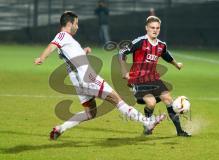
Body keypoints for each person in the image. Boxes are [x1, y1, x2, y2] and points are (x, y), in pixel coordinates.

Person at [34, 11, 166, 140]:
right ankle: (147, 123)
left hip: (79, 83)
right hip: (88, 78)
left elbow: (71, 59)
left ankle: (60, 129)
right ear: (69, 24)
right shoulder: (62, 36)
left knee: (90, 113)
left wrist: (83, 52)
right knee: (117, 100)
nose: (77, 27)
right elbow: (51, 45)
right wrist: (41, 57)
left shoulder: (68, 42)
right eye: (76, 23)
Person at [118, 16, 191, 137]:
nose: (155, 30)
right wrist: (123, 71)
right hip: (138, 80)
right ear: (146, 28)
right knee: (151, 103)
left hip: (153, 78)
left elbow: (166, 56)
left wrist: (176, 64)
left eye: (157, 28)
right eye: (152, 27)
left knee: (168, 100)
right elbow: (121, 52)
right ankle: (147, 126)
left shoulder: (161, 45)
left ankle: (180, 131)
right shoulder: (140, 42)